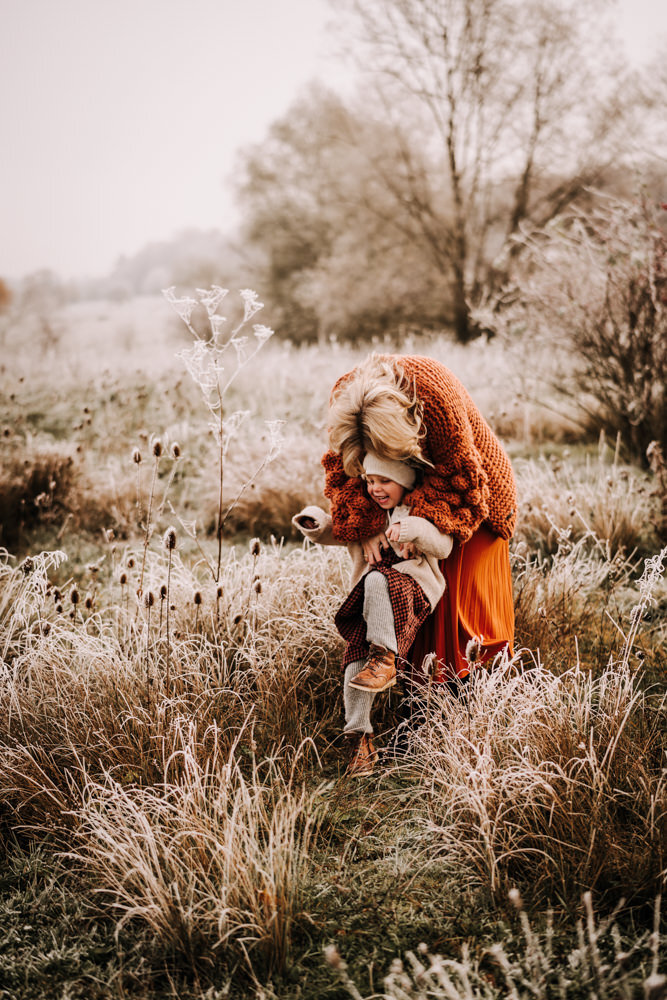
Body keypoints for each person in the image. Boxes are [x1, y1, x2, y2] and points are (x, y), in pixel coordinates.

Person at [322, 353, 517, 752]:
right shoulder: (347, 399)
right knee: (405, 591)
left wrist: (413, 526)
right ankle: (418, 708)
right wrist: (367, 525)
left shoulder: (434, 399)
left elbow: (458, 479)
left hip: (472, 492)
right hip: (406, 495)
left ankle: (465, 710)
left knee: (454, 602)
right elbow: (343, 472)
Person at [293, 450, 453, 776]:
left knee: (378, 577)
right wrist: (314, 521)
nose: (375, 488)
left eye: (385, 481)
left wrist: (414, 530)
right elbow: (334, 529)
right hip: (372, 603)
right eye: (370, 481)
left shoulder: (415, 513)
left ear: (406, 483)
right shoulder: (366, 517)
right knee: (354, 656)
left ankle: (385, 659)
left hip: (412, 592)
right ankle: (359, 740)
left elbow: (443, 545)